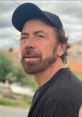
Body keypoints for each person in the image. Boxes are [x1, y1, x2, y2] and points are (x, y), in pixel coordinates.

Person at [12, 3, 82, 117]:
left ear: (61, 48)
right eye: (24, 37)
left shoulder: (61, 99)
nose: (28, 44)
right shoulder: (49, 87)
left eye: (40, 36)